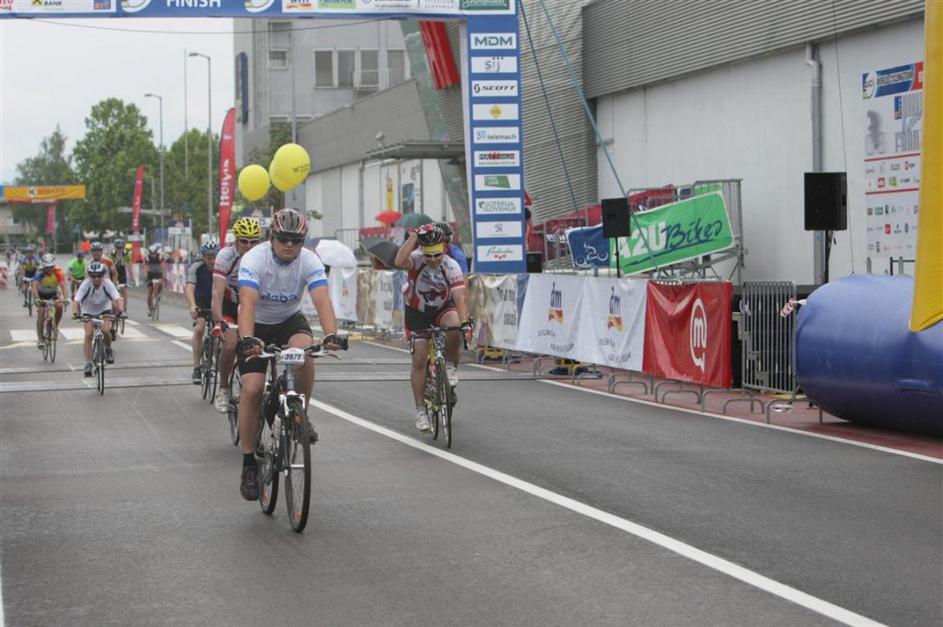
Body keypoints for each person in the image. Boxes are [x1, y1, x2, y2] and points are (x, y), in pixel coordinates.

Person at [235, 208, 347, 501]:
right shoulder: (254, 259)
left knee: (305, 353)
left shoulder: (309, 260)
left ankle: (300, 415)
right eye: (283, 239)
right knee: (252, 389)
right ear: (271, 237)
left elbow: (322, 300)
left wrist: (331, 334)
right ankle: (248, 464)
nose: (289, 245)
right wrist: (247, 339)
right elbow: (247, 302)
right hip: (256, 323)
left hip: (289, 320)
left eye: (295, 240)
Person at [393, 223, 472, 432]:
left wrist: (465, 322)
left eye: (437, 255)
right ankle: (420, 411)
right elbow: (399, 262)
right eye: (429, 256)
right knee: (419, 358)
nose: (433, 260)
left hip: (441, 308)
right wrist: (413, 237)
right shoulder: (416, 259)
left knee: (454, 326)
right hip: (417, 312)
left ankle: (450, 366)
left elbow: (459, 297)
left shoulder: (451, 265)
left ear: (443, 250)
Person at [211, 217, 263, 413]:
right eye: (244, 241)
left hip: (251, 304)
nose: (249, 246)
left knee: (259, 345)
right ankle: (224, 388)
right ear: (236, 240)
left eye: (253, 242)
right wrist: (219, 321)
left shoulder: (264, 256)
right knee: (231, 344)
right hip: (229, 304)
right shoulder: (225, 256)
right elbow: (217, 293)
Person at [72, 261, 123, 377]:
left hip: (104, 309)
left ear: (103, 275)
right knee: (88, 334)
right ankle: (88, 363)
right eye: (93, 276)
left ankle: (108, 349)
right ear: (89, 276)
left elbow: (117, 298)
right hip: (88, 310)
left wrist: (120, 310)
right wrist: (75, 312)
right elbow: (76, 300)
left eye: (99, 276)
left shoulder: (108, 283)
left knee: (106, 330)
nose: (96, 279)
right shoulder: (85, 284)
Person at [186, 240, 220, 384]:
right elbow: (189, 288)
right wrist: (192, 306)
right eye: (209, 257)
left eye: (215, 257)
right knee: (199, 328)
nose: (212, 261)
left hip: (218, 301)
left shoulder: (223, 266)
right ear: (203, 257)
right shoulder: (196, 267)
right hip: (201, 301)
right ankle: (197, 367)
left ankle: (217, 354)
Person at [32, 254, 67, 349]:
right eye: (47, 267)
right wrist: (36, 298)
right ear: (43, 266)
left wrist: (65, 299)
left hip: (53, 294)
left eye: (51, 267)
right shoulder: (40, 272)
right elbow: (34, 285)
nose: (49, 269)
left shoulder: (58, 272)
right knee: (41, 313)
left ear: (54, 266)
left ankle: (55, 326)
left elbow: (63, 287)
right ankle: (40, 339)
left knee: (59, 306)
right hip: (41, 295)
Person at [109, 239, 133, 313]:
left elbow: (129, 267)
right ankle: (111, 306)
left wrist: (132, 278)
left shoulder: (126, 254)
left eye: (121, 248)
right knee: (112, 291)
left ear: (124, 248)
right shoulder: (111, 255)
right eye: (118, 248)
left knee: (124, 291)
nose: (120, 250)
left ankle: (124, 308)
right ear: (115, 248)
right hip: (113, 273)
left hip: (122, 273)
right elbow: (110, 268)